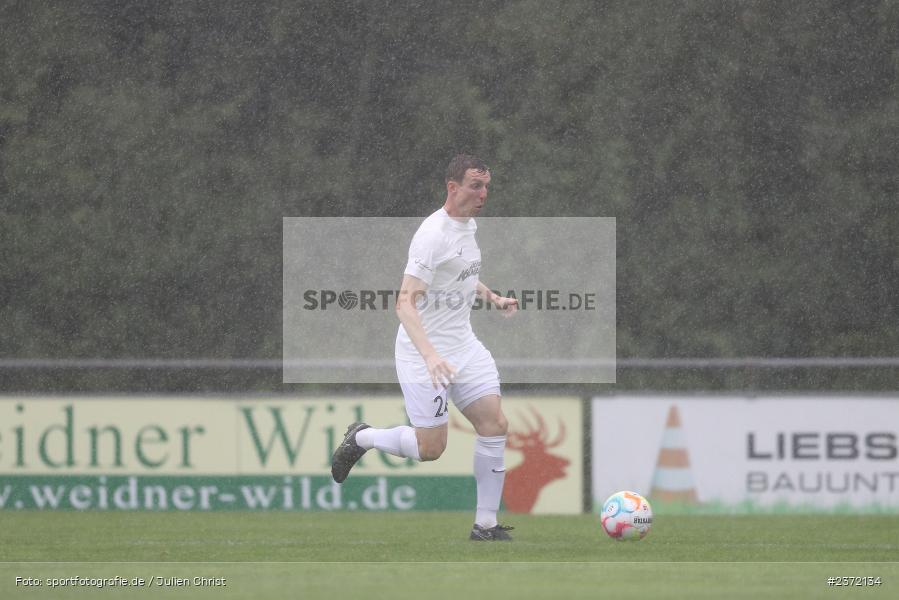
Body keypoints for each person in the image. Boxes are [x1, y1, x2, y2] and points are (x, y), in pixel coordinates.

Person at [330, 155, 519, 541]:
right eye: (475, 186)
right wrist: (432, 356)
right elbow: (404, 303)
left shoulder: (468, 226)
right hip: (423, 354)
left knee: (494, 425)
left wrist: (492, 296)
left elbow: (461, 275)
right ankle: (362, 437)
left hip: (463, 347)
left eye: (486, 186)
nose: (484, 194)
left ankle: (485, 525)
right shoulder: (433, 235)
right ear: (453, 187)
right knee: (430, 449)